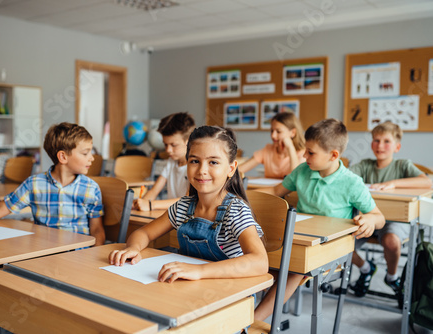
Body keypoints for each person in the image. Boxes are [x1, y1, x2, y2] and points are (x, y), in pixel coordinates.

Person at [254, 118, 385, 322]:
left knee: (295, 269)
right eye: (305, 150)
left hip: (331, 247)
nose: (304, 156)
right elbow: (275, 191)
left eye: (310, 152)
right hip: (302, 238)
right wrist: (241, 197)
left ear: (333, 155)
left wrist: (370, 219)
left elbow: (379, 218)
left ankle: (253, 322)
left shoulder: (352, 183)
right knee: (263, 259)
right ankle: (240, 316)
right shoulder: (302, 171)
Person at [110, 126, 268, 284]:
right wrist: (133, 248)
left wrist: (199, 271)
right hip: (189, 287)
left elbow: (260, 261)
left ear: (231, 169)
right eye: (194, 161)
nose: (202, 170)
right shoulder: (183, 207)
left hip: (228, 292)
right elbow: (144, 233)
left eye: (213, 162)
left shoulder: (235, 210)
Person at [0, 122, 105, 246]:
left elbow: (96, 229)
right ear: (63, 157)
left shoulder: (91, 189)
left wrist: (93, 256)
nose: (92, 158)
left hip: (78, 254)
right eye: (86, 153)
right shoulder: (34, 184)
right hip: (43, 251)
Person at [348, 121, 432, 298]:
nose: (380, 145)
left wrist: (392, 183)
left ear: (397, 146)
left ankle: (392, 277)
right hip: (367, 218)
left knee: (391, 241)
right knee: (339, 244)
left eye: (386, 141)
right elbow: (345, 177)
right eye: (376, 140)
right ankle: (366, 268)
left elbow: (426, 181)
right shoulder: (365, 165)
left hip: (394, 220)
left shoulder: (402, 165)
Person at [133, 112, 195, 211]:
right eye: (165, 144)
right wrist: (139, 203)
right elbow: (154, 190)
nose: (168, 150)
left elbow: (187, 201)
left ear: (188, 141)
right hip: (172, 215)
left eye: (173, 145)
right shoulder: (171, 161)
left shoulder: (195, 165)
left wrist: (150, 205)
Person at [239, 111, 305, 178]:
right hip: (269, 188)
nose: (273, 135)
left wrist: (290, 147)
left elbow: (296, 178)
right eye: (272, 131)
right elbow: (240, 169)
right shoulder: (267, 150)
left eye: (278, 131)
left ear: (293, 132)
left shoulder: (303, 154)